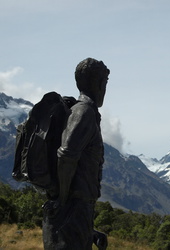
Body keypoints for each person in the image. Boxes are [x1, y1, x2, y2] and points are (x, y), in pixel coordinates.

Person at [42, 58, 110, 250]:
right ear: (97, 84)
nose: (104, 89)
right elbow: (66, 155)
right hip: (73, 208)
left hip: (78, 212)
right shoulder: (84, 112)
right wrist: (62, 201)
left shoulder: (79, 112)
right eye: (104, 83)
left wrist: (89, 232)